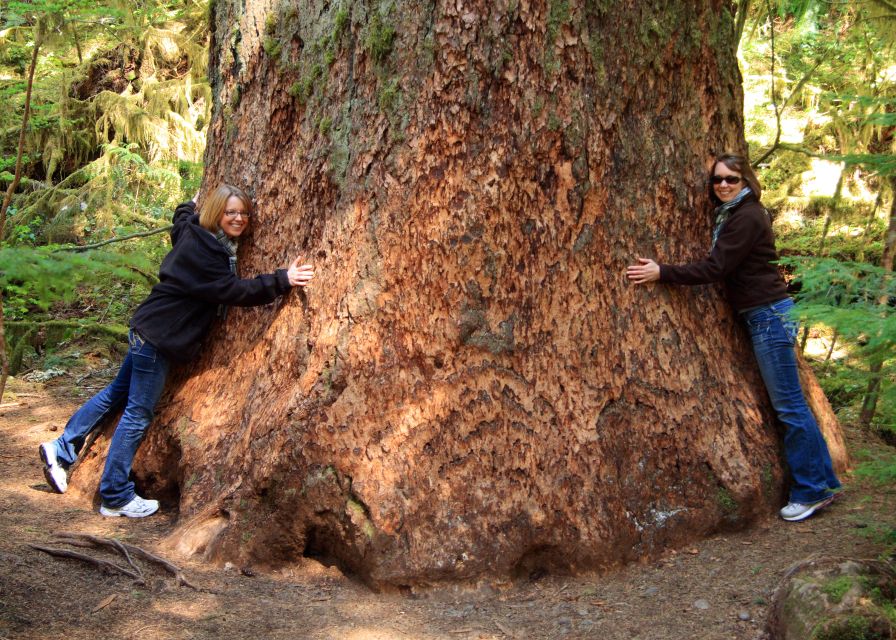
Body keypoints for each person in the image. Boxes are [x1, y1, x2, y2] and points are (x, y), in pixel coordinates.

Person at [38, 184, 314, 518]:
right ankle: (115, 494)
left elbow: (180, 220)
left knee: (115, 395)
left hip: (147, 329)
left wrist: (187, 203)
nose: (239, 218)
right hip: (158, 340)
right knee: (138, 414)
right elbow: (233, 291)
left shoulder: (194, 233)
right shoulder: (207, 254)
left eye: (243, 213)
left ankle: (60, 448)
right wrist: (284, 278)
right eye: (230, 212)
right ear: (215, 214)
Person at [626, 153, 841, 522]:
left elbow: (717, 267)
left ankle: (812, 490)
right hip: (766, 313)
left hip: (769, 316)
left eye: (732, 179)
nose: (723, 185)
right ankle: (822, 482)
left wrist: (663, 272)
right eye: (717, 180)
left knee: (789, 408)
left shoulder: (748, 216)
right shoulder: (735, 214)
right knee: (793, 405)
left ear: (747, 182)